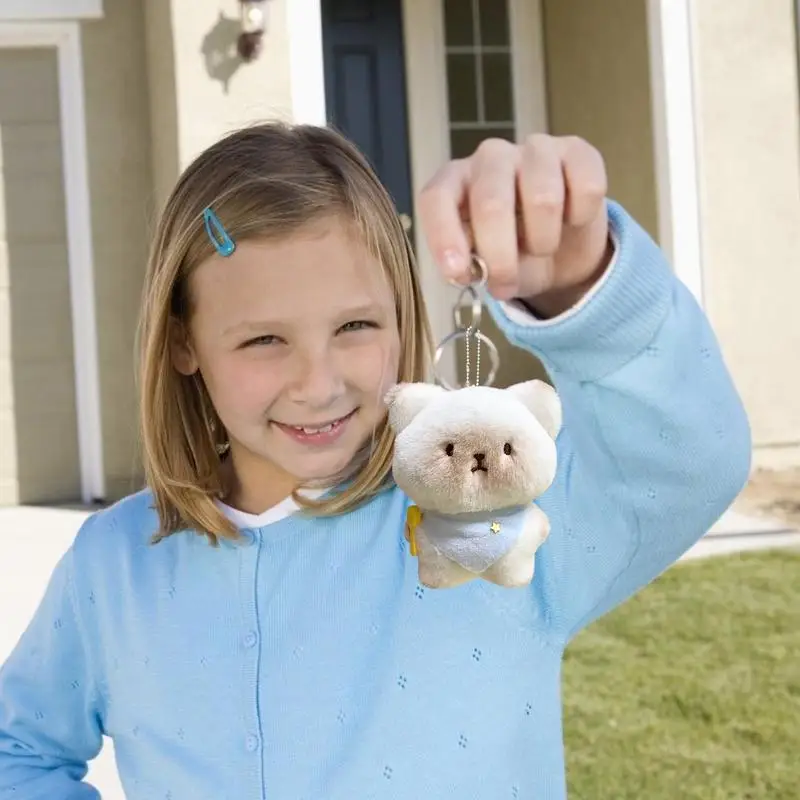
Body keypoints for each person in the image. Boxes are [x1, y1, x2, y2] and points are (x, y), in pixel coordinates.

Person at [0, 123, 750, 799]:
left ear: (401, 313)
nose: (319, 383)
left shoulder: (485, 519)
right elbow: (17, 749)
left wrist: (583, 285)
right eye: (264, 340)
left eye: (355, 325)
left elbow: (687, 459)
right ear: (186, 343)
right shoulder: (114, 566)